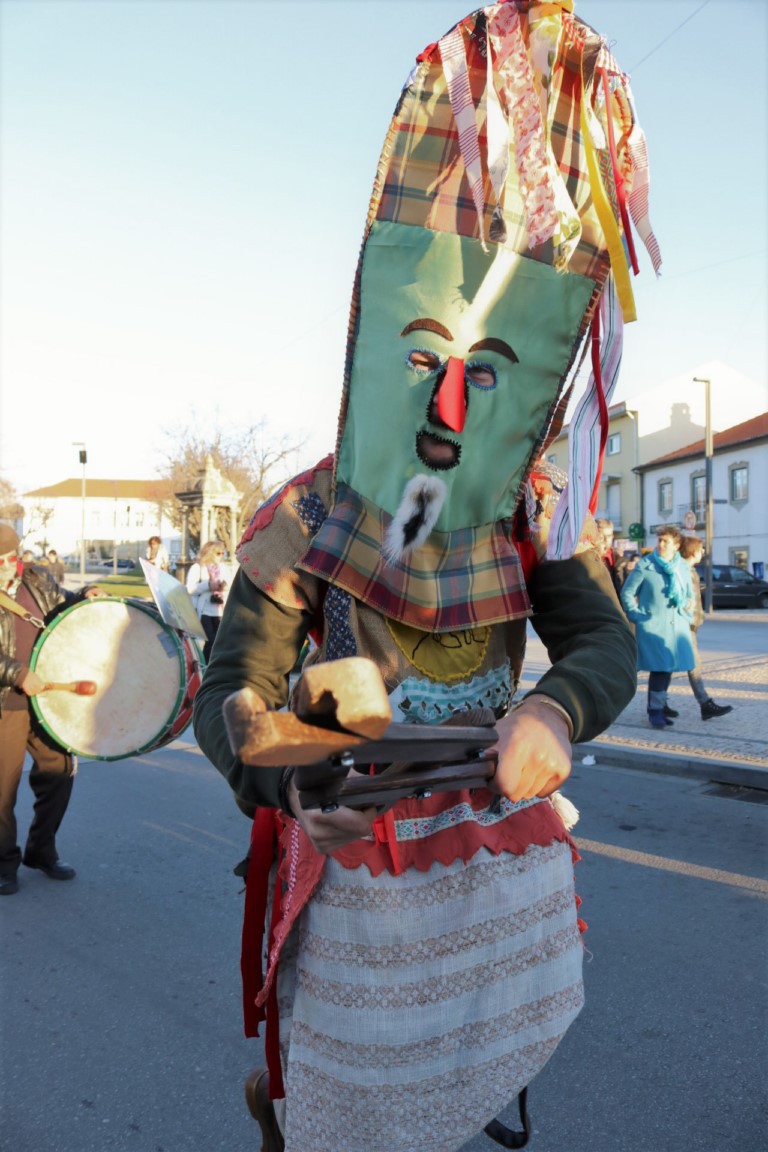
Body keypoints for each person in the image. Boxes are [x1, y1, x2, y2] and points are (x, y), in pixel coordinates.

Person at [193, 5, 658, 1149]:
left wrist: (554, 702)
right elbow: (224, 701)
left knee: (476, 1093)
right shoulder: (303, 515)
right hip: (354, 876)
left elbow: (603, 645)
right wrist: (294, 733)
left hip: (497, 884)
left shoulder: (530, 509)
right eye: (424, 362)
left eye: (487, 374)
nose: (451, 405)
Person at [0, 525, 103, 896]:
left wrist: (83, 595)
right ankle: (3, 862)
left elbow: (61, 604)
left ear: (17, 559)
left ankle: (41, 850)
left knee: (59, 773)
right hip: (6, 704)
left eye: (5, 562)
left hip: (49, 701)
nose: (1, 569)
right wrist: (16, 673)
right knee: (2, 790)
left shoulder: (36, 579)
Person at [620, 526, 695, 729]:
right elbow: (627, 592)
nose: (661, 544)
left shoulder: (682, 567)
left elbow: (690, 594)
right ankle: (655, 711)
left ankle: (661, 705)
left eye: (666, 541)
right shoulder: (646, 565)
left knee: (668, 668)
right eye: (659, 540)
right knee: (660, 670)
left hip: (676, 626)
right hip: (653, 626)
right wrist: (636, 615)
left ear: (676, 546)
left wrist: (688, 609)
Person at [678, 536, 733, 720]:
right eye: (701, 549)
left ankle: (658, 703)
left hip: (691, 623)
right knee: (693, 665)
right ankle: (705, 703)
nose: (703, 552)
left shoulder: (689, 569)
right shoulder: (683, 570)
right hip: (685, 624)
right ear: (694, 552)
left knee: (666, 665)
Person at [185, 539, 234, 662]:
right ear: (210, 553)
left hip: (220, 610)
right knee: (210, 641)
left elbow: (231, 585)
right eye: (218, 553)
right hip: (204, 611)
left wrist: (222, 586)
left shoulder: (223, 568)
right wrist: (208, 585)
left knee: (219, 643)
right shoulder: (198, 568)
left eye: (223, 553)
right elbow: (190, 588)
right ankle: (205, 667)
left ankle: (211, 668)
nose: (221, 556)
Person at [596, 518, 621, 594]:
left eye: (609, 536)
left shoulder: (619, 559)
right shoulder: (590, 558)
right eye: (602, 536)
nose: (606, 540)